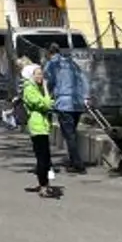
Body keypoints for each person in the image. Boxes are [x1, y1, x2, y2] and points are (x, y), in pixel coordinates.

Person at [43, 43, 89, 173]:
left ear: (48, 53)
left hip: (64, 104)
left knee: (69, 135)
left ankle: (78, 164)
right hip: (77, 103)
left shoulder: (52, 64)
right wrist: (86, 97)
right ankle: (73, 160)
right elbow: (84, 81)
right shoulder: (72, 64)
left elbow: (48, 82)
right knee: (72, 133)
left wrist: (48, 96)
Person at [20, 64, 59, 197]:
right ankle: (43, 186)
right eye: (38, 74)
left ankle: (46, 183)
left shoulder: (36, 88)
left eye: (41, 74)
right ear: (31, 75)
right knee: (42, 158)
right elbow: (46, 104)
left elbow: (49, 104)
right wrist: (46, 91)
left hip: (43, 126)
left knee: (46, 157)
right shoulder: (29, 89)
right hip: (37, 127)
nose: (41, 77)